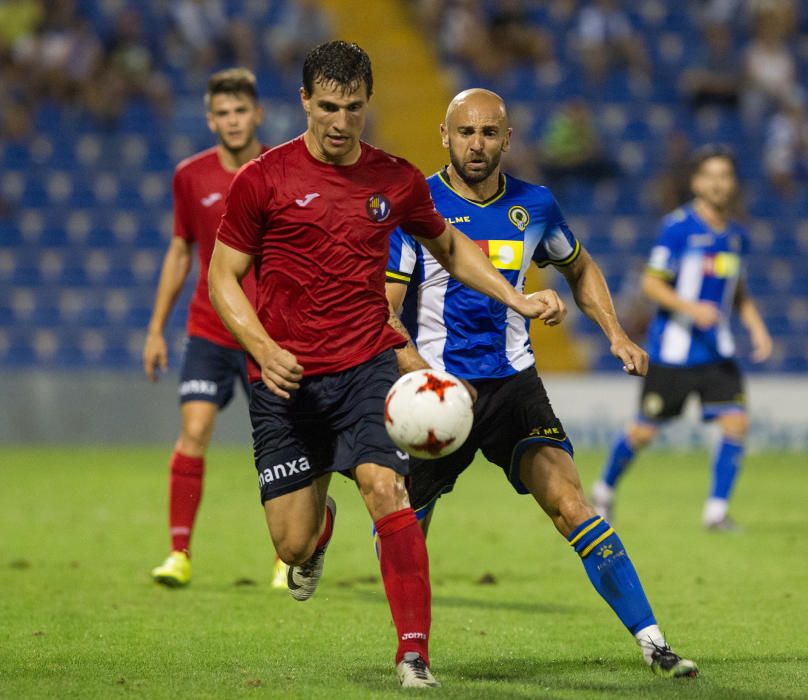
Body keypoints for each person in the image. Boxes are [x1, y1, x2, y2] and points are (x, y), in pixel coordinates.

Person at [207, 42, 564, 689]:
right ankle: (316, 537)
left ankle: (413, 654)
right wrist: (261, 348)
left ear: (366, 103)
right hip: (284, 379)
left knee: (386, 489)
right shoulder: (262, 180)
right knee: (289, 543)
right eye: (327, 108)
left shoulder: (392, 180)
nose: (340, 123)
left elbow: (450, 246)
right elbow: (223, 279)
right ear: (304, 103)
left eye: (352, 109)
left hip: (366, 367)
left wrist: (514, 295)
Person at [385, 88, 699, 679]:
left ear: (507, 138)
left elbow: (579, 267)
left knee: (572, 505)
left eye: (488, 133)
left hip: (513, 388)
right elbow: (386, 310)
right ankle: (413, 655)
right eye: (465, 132)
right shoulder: (417, 205)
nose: (476, 145)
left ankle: (654, 643)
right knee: (404, 523)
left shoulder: (536, 205)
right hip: (437, 391)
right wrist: (418, 375)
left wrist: (616, 335)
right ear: (444, 136)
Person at [143, 68, 288, 589]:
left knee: (280, 444)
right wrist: (157, 328)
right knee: (196, 429)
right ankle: (178, 553)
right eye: (222, 113)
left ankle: (287, 555)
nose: (232, 121)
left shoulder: (281, 171)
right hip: (208, 327)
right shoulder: (191, 176)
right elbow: (181, 250)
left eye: (240, 111)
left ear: (257, 114)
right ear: (210, 119)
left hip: (267, 334)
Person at [591, 145, 773, 531]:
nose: (718, 183)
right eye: (710, 175)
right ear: (696, 182)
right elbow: (651, 284)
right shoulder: (677, 227)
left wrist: (756, 327)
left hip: (716, 352)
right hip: (673, 353)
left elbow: (737, 290)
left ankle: (716, 512)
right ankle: (604, 490)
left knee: (736, 423)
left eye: (725, 175)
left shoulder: (737, 235)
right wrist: (692, 309)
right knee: (642, 432)